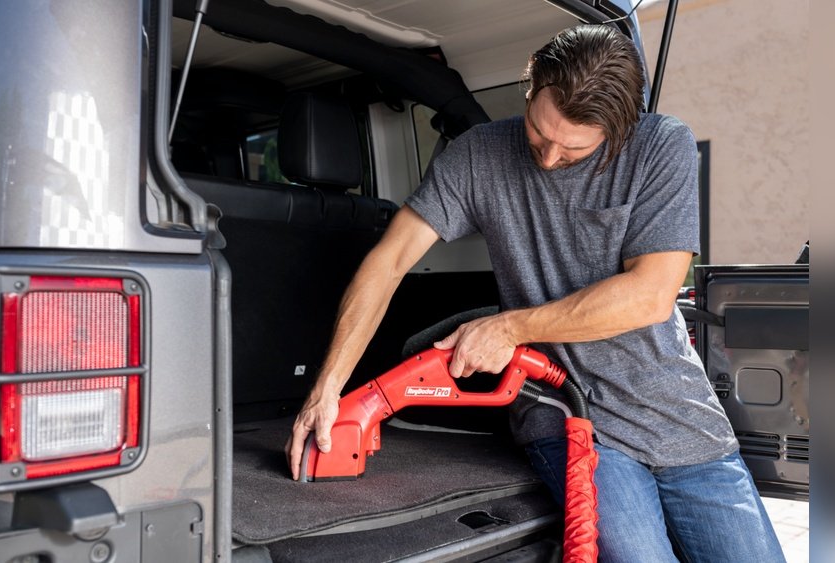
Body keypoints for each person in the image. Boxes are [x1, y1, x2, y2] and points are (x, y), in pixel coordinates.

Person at [286, 24, 785, 562]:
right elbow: (388, 262)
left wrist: (509, 328)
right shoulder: (478, 155)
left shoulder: (660, 146)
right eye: (538, 133)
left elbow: (649, 295)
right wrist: (328, 387)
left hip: (679, 417)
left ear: (621, 128)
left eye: (572, 150)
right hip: (570, 419)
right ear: (531, 90)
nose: (547, 158)